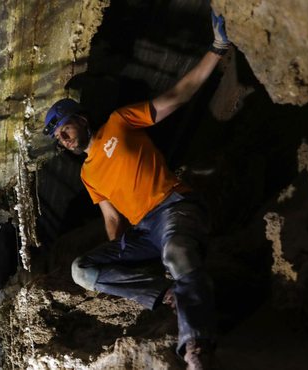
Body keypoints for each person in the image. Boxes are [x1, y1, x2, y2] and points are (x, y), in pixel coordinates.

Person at [43, 10, 231, 370]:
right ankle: (168, 293)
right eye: (58, 137)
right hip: (144, 231)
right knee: (83, 269)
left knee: (177, 251)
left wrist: (217, 49)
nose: (63, 139)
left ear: (81, 120)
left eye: (65, 129)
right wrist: (124, 256)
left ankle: (196, 348)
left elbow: (176, 96)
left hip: (174, 207)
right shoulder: (87, 174)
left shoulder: (119, 122)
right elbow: (113, 220)